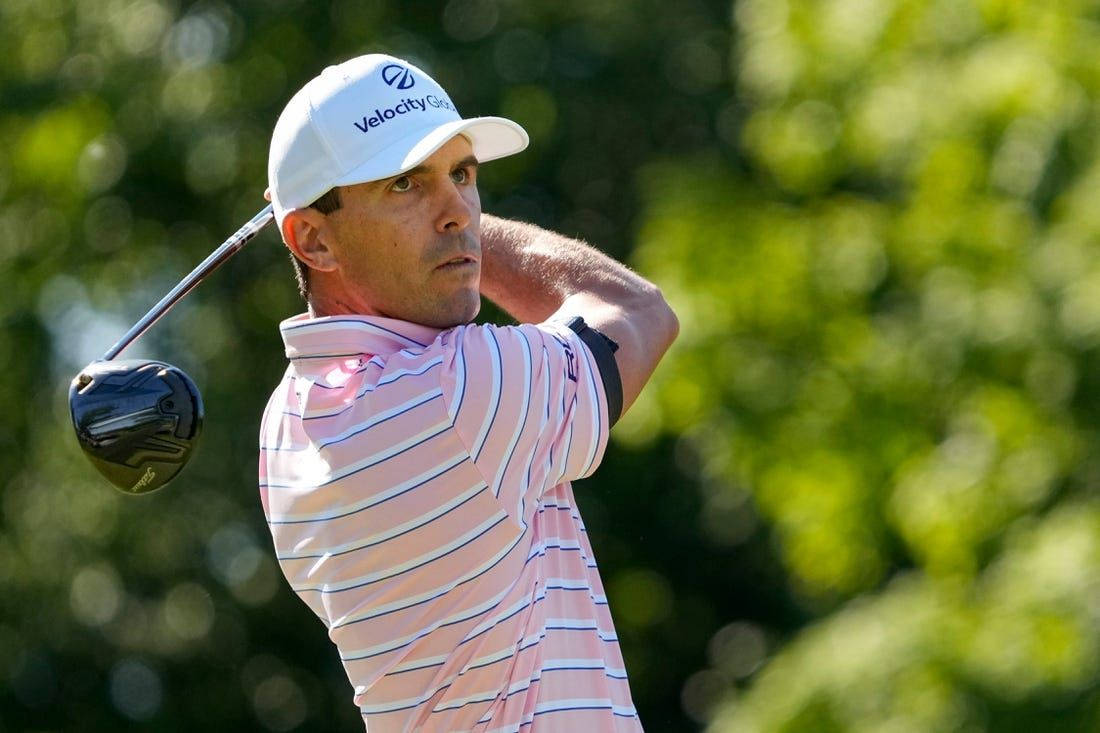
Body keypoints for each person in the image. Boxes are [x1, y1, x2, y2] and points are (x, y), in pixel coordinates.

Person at [259, 53, 678, 732]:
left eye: (462, 175)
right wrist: (471, 241)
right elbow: (635, 309)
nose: (459, 211)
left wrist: (436, 224)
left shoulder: (287, 423)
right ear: (312, 238)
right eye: (405, 184)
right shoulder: (457, 395)